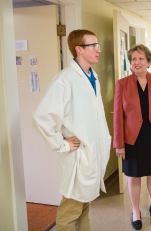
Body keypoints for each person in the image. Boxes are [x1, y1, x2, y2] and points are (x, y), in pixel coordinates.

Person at [32, 29, 111, 230]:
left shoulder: (92, 77)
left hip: (91, 155)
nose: (98, 50)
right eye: (93, 45)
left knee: (84, 207)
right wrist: (61, 144)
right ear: (79, 49)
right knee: (69, 212)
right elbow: (42, 117)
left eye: (97, 45)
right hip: (78, 157)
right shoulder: (65, 80)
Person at [113, 44, 151, 230]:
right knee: (134, 175)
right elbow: (117, 116)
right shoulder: (122, 84)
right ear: (130, 63)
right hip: (132, 137)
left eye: (141, 59)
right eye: (133, 60)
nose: (137, 63)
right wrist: (119, 143)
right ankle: (136, 211)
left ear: (148, 61)